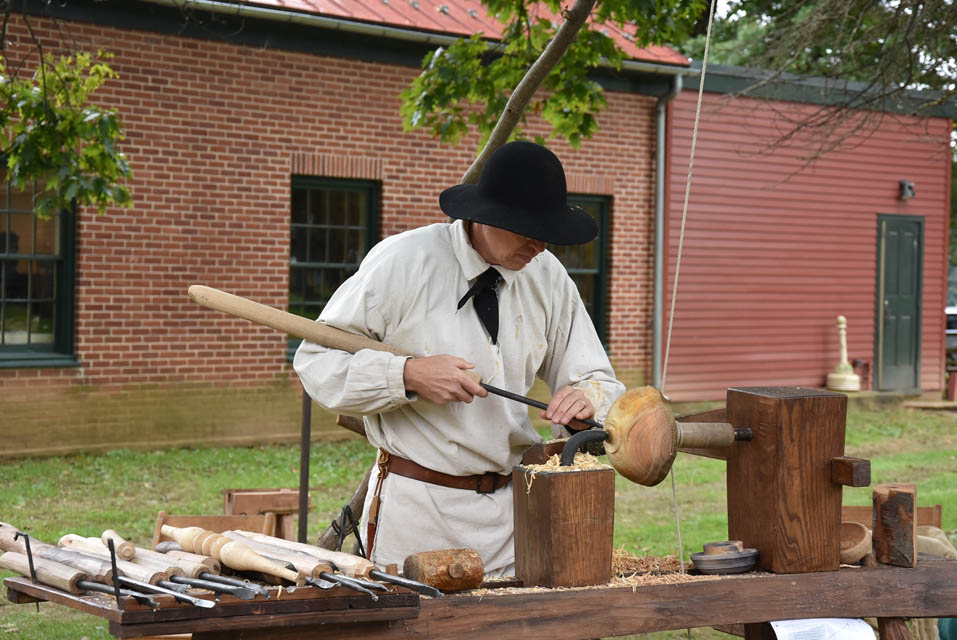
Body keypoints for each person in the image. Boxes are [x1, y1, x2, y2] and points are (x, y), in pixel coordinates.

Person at [294, 141, 625, 575]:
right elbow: (317, 362)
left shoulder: (547, 277)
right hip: (416, 514)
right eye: (529, 229)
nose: (541, 245)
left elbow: (594, 376)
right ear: (487, 216)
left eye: (549, 232)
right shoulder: (403, 262)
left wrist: (586, 400)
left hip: (512, 518)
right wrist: (407, 375)